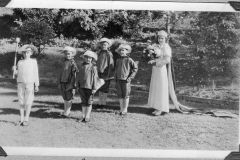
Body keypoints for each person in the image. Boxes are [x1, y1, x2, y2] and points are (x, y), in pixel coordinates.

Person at [12, 45, 39, 126]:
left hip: (30, 83)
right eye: (25, 52)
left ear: (31, 53)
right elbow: (17, 73)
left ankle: (26, 119)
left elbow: (35, 73)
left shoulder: (33, 61)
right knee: (21, 101)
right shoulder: (20, 62)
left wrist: (36, 84)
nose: (26, 53)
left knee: (28, 102)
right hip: (21, 83)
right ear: (23, 53)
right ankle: (21, 119)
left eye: (28, 52)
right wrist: (14, 70)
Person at [76, 50, 104, 122]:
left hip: (90, 87)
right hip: (82, 86)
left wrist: (94, 88)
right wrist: (77, 85)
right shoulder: (81, 66)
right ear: (84, 58)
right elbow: (78, 76)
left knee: (89, 102)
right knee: (83, 101)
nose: (88, 59)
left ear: (92, 59)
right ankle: (83, 115)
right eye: (86, 58)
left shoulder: (93, 67)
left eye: (90, 58)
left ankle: (87, 116)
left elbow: (95, 78)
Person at [115, 44, 138, 115]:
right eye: (120, 50)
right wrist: (115, 79)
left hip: (126, 80)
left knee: (126, 94)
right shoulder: (118, 60)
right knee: (120, 94)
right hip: (119, 79)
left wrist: (130, 77)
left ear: (127, 51)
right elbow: (116, 70)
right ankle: (121, 108)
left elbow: (135, 68)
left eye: (123, 50)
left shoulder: (129, 60)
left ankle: (125, 109)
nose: (122, 51)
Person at [58, 46, 78, 117]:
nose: (68, 55)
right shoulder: (63, 62)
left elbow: (74, 74)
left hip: (70, 82)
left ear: (72, 54)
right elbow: (61, 72)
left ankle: (68, 111)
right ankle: (65, 110)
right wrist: (60, 81)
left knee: (69, 97)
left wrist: (73, 84)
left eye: (69, 54)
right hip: (63, 81)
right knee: (65, 97)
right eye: (66, 54)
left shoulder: (73, 63)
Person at [96, 38, 114, 108]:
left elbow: (111, 64)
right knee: (100, 87)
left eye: (105, 45)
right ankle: (100, 102)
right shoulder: (99, 52)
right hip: (99, 73)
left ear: (108, 46)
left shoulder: (109, 53)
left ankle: (104, 102)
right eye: (102, 44)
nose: (103, 46)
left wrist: (109, 74)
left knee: (105, 88)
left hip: (106, 73)